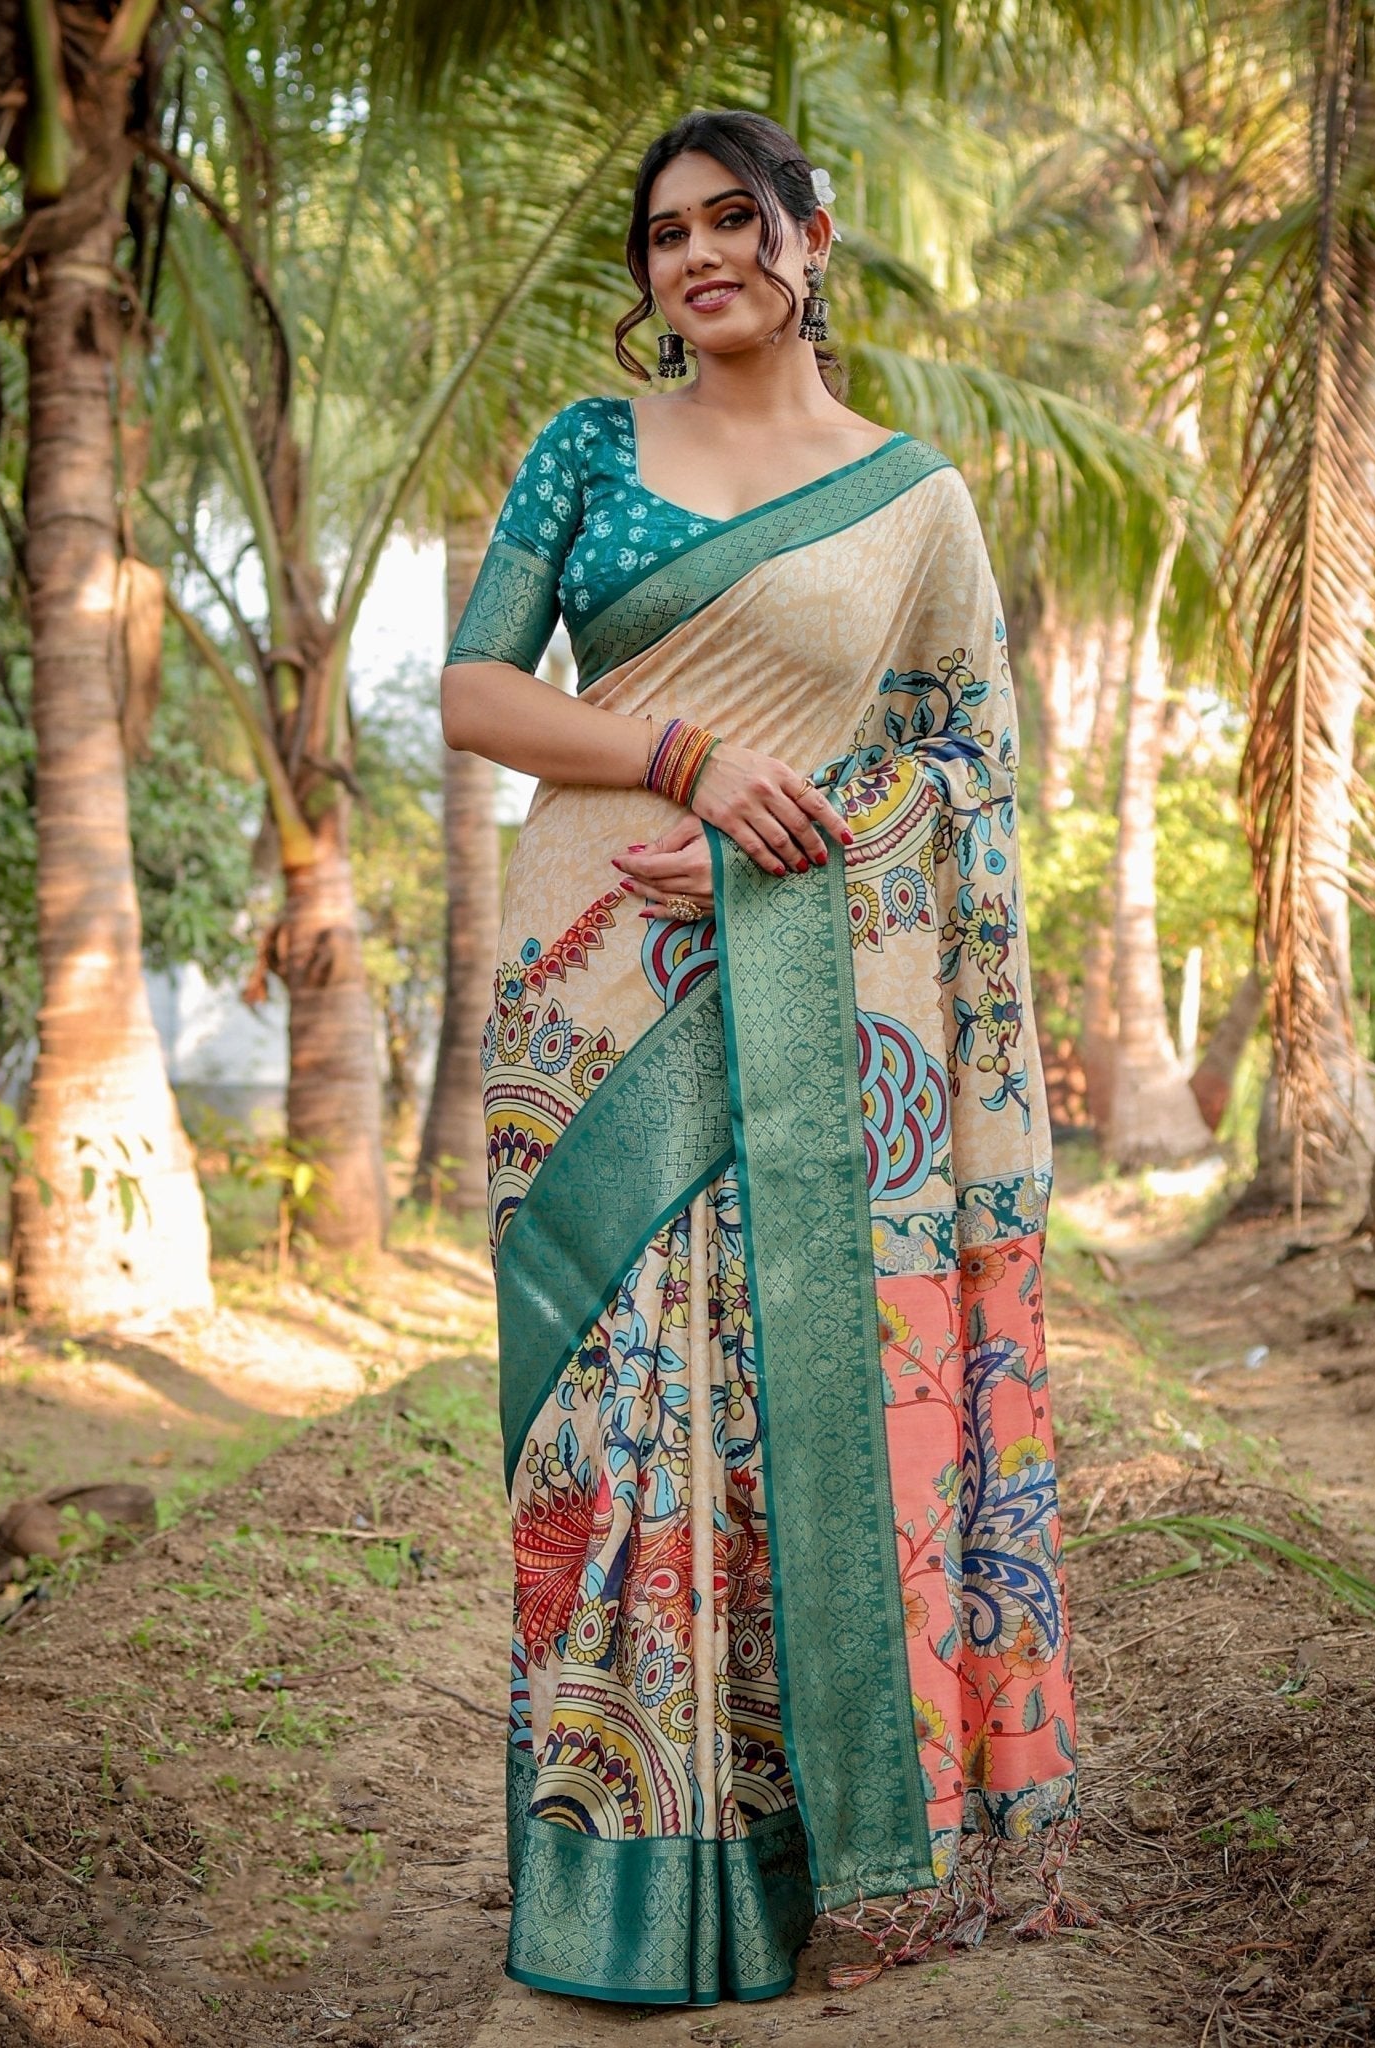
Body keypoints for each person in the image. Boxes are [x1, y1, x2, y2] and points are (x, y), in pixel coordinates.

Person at [440, 106, 1091, 2012]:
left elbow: (967, 766)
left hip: (818, 1004)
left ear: (814, 237)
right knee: (606, 1423)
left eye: (738, 219)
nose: (700, 255)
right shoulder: (590, 448)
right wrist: (685, 761)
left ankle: (825, 1864)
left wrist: (758, 848)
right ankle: (624, 1879)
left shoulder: (916, 502)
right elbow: (476, 689)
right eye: (666, 235)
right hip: (589, 993)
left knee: (793, 1396)